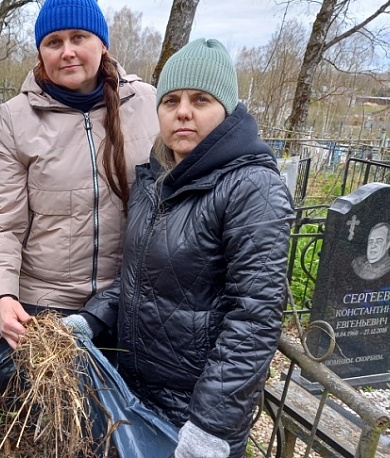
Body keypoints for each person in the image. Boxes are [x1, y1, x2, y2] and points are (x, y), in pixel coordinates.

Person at [65, 38, 295, 458]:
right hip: (133, 389)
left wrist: (210, 427)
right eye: (170, 100)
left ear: (226, 109)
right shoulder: (155, 181)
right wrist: (92, 319)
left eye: (200, 99)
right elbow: (135, 280)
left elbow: (255, 319)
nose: (183, 111)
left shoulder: (251, 188)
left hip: (193, 411)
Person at [0, 0, 159, 350]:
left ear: (102, 44)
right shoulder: (15, 119)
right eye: (54, 42)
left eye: (79, 37)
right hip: (45, 309)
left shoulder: (147, 104)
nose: (67, 52)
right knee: (55, 405)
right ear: (40, 52)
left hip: (131, 297)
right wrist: (2, 295)